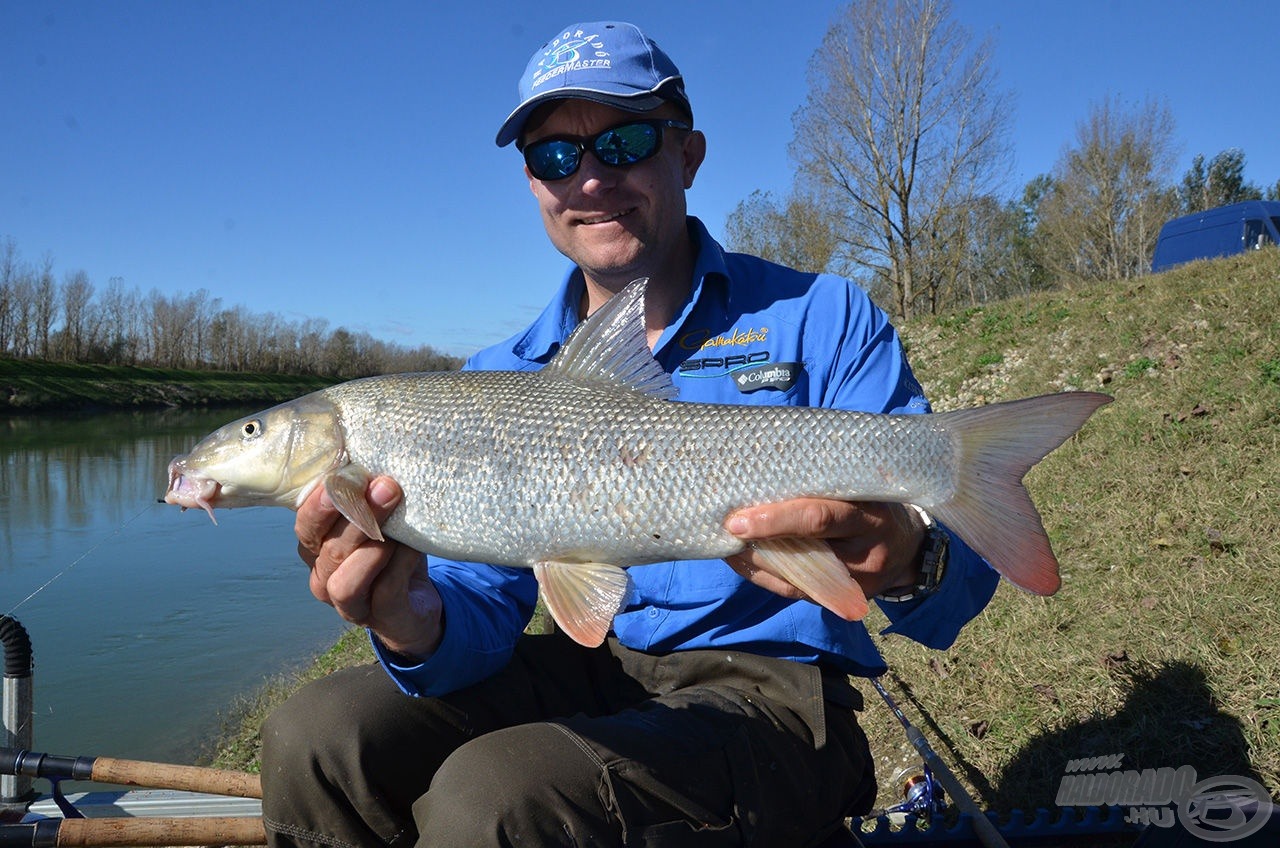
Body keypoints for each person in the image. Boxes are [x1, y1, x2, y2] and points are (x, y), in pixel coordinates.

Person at [260, 20, 999, 848]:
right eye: (554, 157)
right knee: (317, 738)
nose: (589, 180)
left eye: (626, 141)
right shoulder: (494, 376)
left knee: (493, 797)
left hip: (773, 695)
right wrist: (408, 615)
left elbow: (961, 592)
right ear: (534, 185)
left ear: (687, 155)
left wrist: (909, 557)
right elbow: (482, 612)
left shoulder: (821, 317)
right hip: (598, 668)